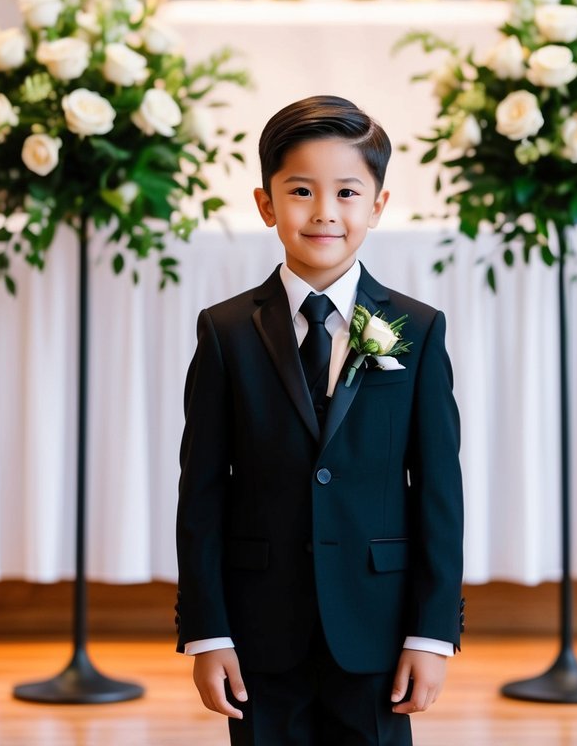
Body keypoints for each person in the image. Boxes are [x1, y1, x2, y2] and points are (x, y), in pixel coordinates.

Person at [175, 95, 464, 746]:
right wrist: (208, 630)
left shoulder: (414, 330)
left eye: (347, 193)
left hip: (378, 630)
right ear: (265, 203)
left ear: (378, 206)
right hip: (258, 628)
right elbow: (201, 492)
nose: (324, 212)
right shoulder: (225, 332)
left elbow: (439, 492)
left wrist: (431, 630)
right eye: (301, 191)